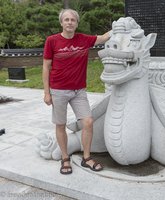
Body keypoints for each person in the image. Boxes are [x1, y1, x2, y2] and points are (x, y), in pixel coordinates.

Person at [42, 8, 111, 175]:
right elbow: (46, 66)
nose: (69, 22)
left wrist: (119, 26)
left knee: (87, 122)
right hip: (58, 90)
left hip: (78, 91)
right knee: (60, 124)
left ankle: (87, 158)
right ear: (61, 23)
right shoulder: (52, 41)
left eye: (72, 20)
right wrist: (46, 92)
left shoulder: (83, 39)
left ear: (76, 23)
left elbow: (102, 38)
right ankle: (65, 158)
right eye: (66, 20)